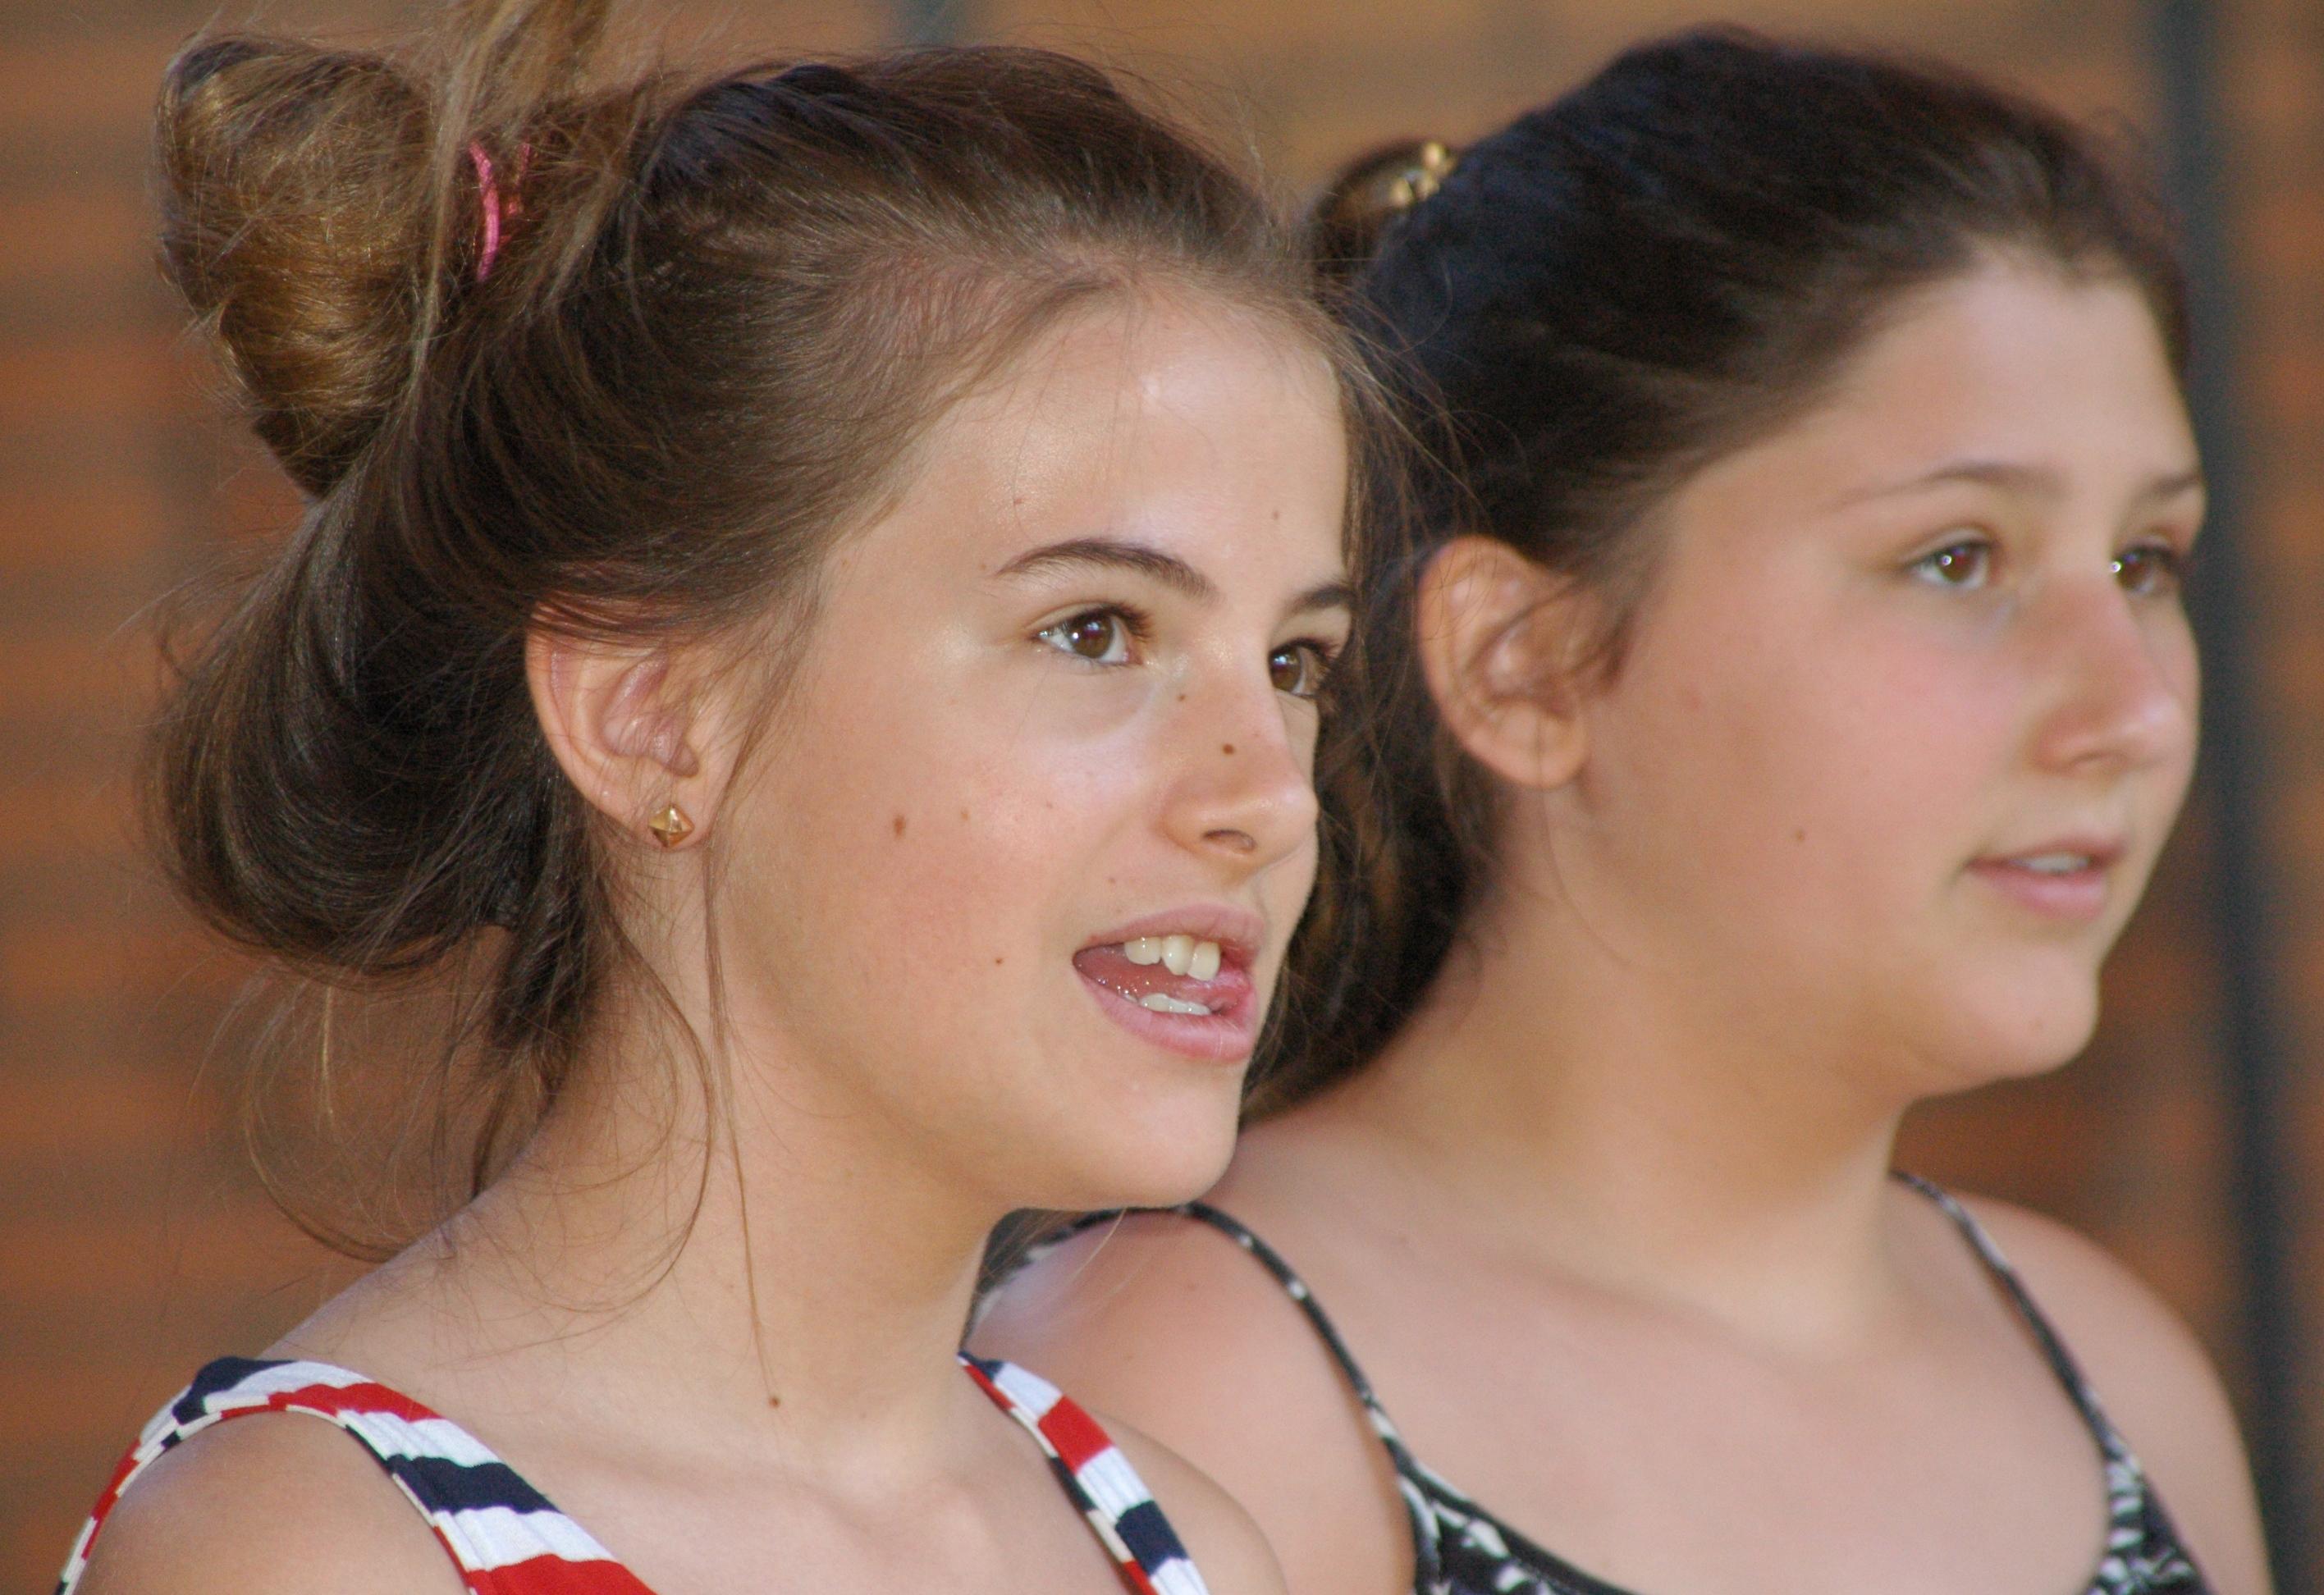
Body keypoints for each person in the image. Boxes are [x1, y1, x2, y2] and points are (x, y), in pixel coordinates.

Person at [63, 1, 1380, 1588]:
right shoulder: (318, 1554)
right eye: (1096, 631)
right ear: (650, 716)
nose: (1270, 797)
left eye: (1295, 662)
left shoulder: (1185, 1551)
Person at [977, 28, 2274, 1595]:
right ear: (1523, 663)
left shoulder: (2114, 1376)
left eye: (2145, 563)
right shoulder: (1189, 1399)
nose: (2133, 708)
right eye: (1957, 559)